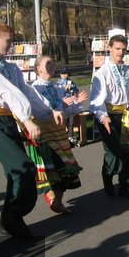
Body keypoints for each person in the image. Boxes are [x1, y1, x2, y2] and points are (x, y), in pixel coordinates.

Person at [0, 22, 63, 237]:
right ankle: (13, 216)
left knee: (14, 174)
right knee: (24, 168)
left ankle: (8, 222)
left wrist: (48, 111)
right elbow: (9, 93)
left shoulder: (11, 68)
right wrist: (26, 119)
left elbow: (27, 93)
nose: (11, 45)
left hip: (9, 122)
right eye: (8, 41)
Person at [89, 34, 129, 198]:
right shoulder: (102, 73)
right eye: (117, 48)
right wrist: (103, 116)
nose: (120, 52)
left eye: (123, 49)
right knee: (114, 152)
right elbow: (96, 100)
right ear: (109, 48)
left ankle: (125, 186)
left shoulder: (128, 72)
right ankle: (108, 178)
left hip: (126, 115)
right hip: (108, 117)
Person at [29, 55, 88, 214]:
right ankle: (52, 196)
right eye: (47, 64)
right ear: (38, 69)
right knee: (54, 168)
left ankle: (58, 202)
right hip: (46, 135)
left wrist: (75, 104)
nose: (52, 66)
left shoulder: (57, 87)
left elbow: (64, 111)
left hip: (60, 133)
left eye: (53, 63)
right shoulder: (34, 89)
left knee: (66, 170)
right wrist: (60, 106)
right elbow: (42, 112)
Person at [56, 67, 80, 144]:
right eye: (62, 74)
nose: (64, 75)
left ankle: (70, 135)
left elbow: (76, 91)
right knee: (63, 120)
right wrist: (64, 88)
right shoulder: (58, 83)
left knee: (71, 120)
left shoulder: (70, 82)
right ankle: (64, 136)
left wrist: (75, 94)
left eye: (65, 73)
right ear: (60, 74)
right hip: (63, 104)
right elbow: (57, 93)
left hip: (71, 103)